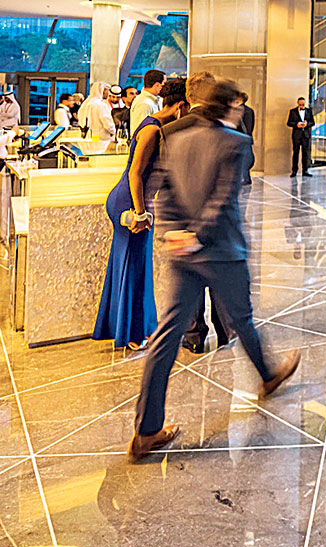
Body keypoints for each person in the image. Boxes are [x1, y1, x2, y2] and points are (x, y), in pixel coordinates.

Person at [129, 78, 301, 459]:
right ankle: (269, 375)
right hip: (222, 251)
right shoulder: (237, 143)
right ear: (228, 107)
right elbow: (223, 199)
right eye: (238, 105)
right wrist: (196, 234)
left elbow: (165, 190)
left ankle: (146, 431)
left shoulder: (177, 137)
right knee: (242, 318)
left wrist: (176, 233)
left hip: (182, 253)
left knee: (167, 337)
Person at [93, 79, 187, 351]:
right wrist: (141, 212)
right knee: (134, 266)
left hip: (133, 200)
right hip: (129, 201)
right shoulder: (152, 130)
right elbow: (135, 173)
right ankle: (132, 334)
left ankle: (127, 329)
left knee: (131, 265)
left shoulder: (156, 126)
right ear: (180, 105)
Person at [164, 71, 229, 355]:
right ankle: (225, 332)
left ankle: (193, 335)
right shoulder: (227, 129)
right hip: (217, 218)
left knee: (189, 282)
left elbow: (164, 180)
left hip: (183, 216)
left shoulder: (170, 130)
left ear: (188, 97)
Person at [287, 97, 313, 177]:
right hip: (296, 135)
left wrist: (307, 124)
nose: (302, 106)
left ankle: (305, 170)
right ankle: (294, 171)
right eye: (300, 104)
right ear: (298, 103)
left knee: (305, 154)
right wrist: (296, 124)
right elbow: (289, 123)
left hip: (306, 135)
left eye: (303, 104)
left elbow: (312, 122)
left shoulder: (309, 111)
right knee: (295, 153)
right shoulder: (293, 111)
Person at [238, 91, 256, 185]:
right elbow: (251, 126)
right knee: (246, 157)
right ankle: (246, 177)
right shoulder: (250, 110)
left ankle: (245, 177)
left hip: (241, 138)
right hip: (247, 138)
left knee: (243, 158)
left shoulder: (239, 111)